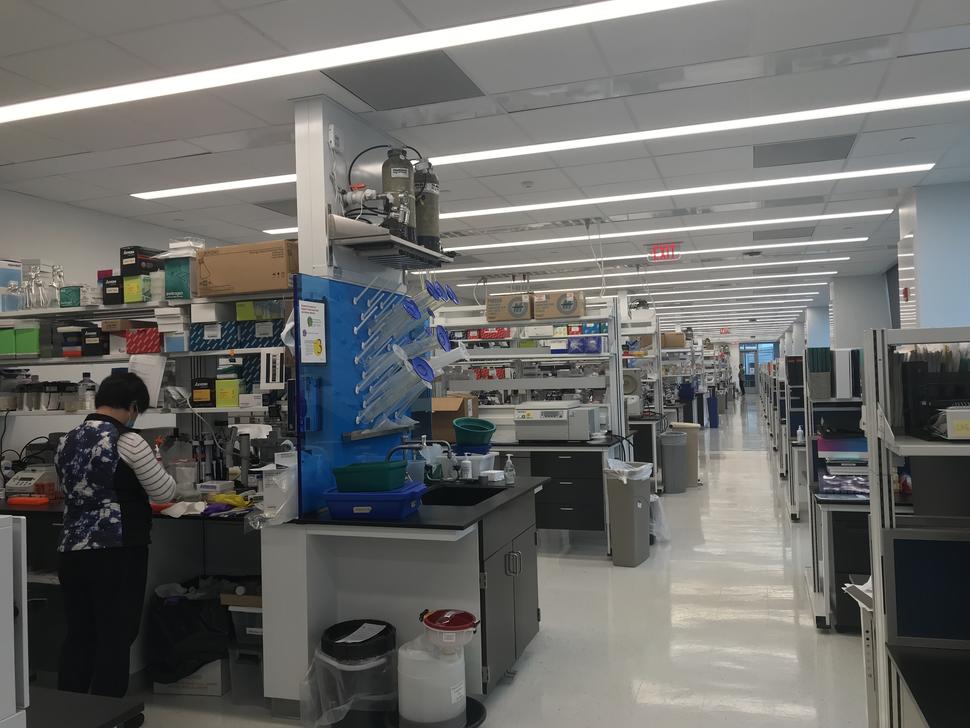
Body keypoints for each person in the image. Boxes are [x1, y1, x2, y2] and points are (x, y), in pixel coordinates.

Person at [54, 372, 175, 706]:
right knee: (115, 636)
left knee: (80, 634)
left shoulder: (67, 439)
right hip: (116, 550)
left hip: (72, 549)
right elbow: (164, 491)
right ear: (133, 406)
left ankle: (68, 711)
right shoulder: (128, 441)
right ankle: (108, 714)